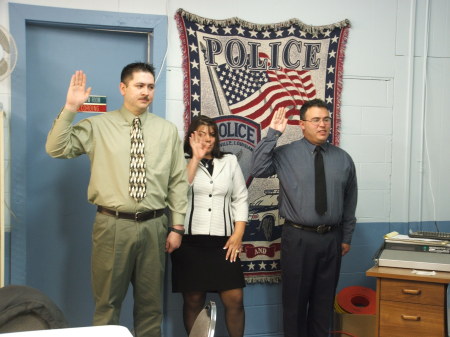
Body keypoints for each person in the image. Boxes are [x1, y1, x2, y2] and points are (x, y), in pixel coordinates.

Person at [45, 62, 188, 337]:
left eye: (150, 86)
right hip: (112, 226)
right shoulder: (98, 125)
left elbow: (178, 182)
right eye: (139, 86)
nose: (145, 92)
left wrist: (177, 226)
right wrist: (70, 109)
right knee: (107, 305)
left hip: (154, 227)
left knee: (151, 306)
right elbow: (56, 148)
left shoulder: (166, 130)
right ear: (123, 88)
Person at [250, 99, 358, 337]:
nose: (323, 125)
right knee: (295, 304)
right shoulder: (285, 154)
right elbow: (257, 169)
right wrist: (272, 135)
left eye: (326, 119)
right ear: (302, 124)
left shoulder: (343, 158)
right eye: (316, 120)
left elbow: (350, 201)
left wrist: (346, 236)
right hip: (297, 237)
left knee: (323, 304)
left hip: (331, 239)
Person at [171, 115, 248, 337]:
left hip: (223, 243)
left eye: (212, 134)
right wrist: (194, 158)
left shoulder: (230, 161)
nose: (207, 139)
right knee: (193, 299)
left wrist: (238, 233)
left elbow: (240, 198)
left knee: (235, 298)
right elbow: (177, 192)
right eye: (201, 134)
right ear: (191, 136)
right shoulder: (181, 160)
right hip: (189, 243)